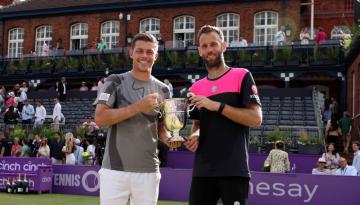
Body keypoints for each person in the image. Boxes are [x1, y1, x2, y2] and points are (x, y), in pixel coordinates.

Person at [184, 25, 262, 205]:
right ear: (199, 51)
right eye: (204, 46)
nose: (209, 49)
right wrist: (195, 136)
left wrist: (217, 106)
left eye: (213, 44)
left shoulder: (242, 75)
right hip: (203, 171)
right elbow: (197, 125)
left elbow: (256, 119)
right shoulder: (195, 88)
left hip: (234, 169)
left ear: (224, 46)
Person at [94, 32, 171, 205]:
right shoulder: (115, 81)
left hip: (148, 171)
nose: (145, 56)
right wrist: (138, 107)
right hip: (114, 170)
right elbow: (100, 118)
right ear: (131, 53)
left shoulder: (164, 89)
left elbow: (161, 129)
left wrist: (170, 139)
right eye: (140, 51)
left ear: (156, 56)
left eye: (150, 52)